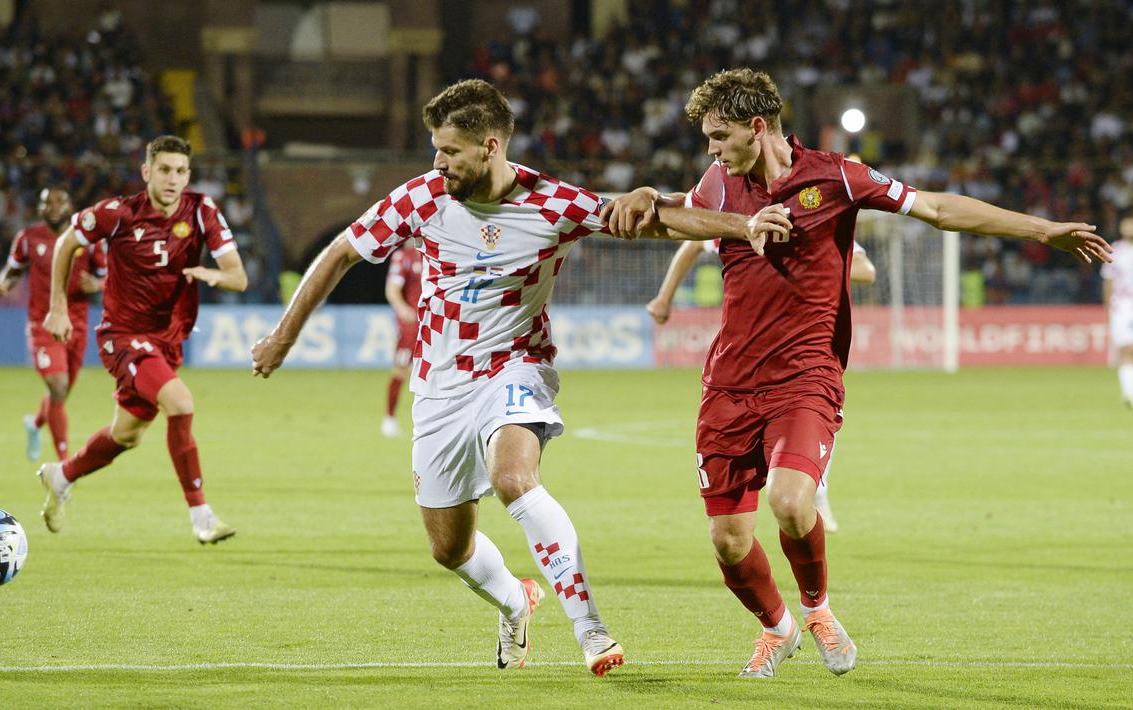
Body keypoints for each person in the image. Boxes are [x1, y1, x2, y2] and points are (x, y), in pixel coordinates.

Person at [252, 79, 790, 675]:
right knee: (448, 548)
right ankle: (515, 600)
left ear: (489, 146)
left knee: (513, 477)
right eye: (436, 149)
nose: (439, 162)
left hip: (516, 366)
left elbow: (657, 221)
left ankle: (591, 631)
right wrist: (283, 336)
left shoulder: (551, 205)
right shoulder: (422, 198)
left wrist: (744, 226)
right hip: (439, 384)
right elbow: (340, 255)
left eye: (449, 151)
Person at [603, 68, 1110, 679]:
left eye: (719, 135)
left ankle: (817, 610)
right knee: (728, 541)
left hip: (806, 374)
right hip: (729, 382)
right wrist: (648, 198)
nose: (710, 149)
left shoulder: (837, 175)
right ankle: (777, 628)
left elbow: (938, 209)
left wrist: (1042, 228)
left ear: (756, 128)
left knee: (792, 502)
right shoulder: (719, 182)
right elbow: (671, 222)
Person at [38, 135, 248, 545]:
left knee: (126, 436)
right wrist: (58, 307)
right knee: (181, 404)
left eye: (181, 171)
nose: (173, 179)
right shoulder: (118, 213)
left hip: (168, 342)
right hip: (123, 337)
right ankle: (202, 515)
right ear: (147, 172)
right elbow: (66, 243)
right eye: (165, 170)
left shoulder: (202, 211)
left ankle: (60, 475)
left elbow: (238, 276)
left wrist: (214, 275)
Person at [646, 237, 876, 533]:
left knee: (809, 425)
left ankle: (816, 491)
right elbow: (692, 242)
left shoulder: (813, 225)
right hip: (745, 368)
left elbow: (865, 269)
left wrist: (801, 261)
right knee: (730, 527)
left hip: (803, 361)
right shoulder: (737, 222)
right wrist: (664, 297)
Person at [0, 187, 106, 462]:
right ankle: (64, 463)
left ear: (70, 206)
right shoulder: (28, 238)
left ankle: (34, 424)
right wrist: (5, 283)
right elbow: (13, 267)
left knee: (61, 392)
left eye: (59, 202)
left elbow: (109, 274)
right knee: (57, 385)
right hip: (42, 323)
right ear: (40, 208)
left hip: (76, 324)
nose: (53, 207)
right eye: (47, 203)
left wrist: (98, 284)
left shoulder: (88, 241)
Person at [381, 240, 421, 437]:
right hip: (411, 326)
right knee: (401, 371)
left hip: (434, 325)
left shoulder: (434, 252)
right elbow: (392, 289)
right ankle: (389, 418)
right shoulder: (403, 257)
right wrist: (403, 308)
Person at [1102, 234, 1133, 407]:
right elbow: (1108, 280)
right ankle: (1129, 392)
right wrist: (1107, 307)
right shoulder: (1116, 250)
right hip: (1122, 306)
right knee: (1126, 349)